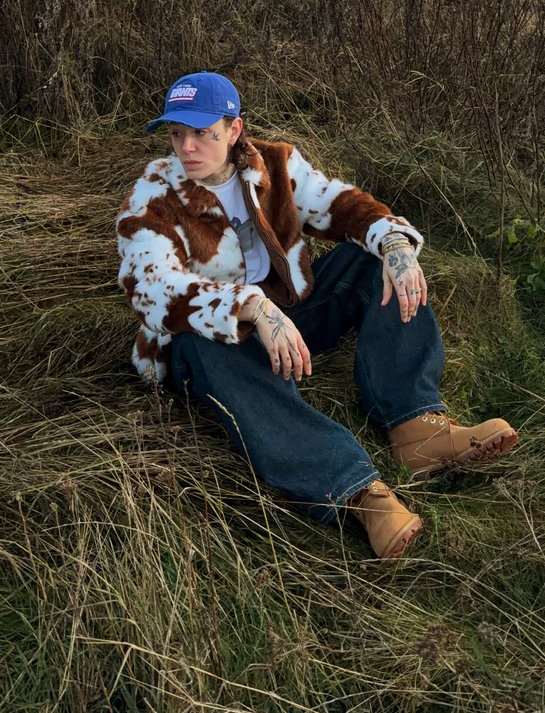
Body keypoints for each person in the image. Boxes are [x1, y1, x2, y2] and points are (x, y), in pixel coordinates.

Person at [116, 71, 518, 560]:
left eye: (202, 132)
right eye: (177, 133)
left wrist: (394, 245)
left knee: (373, 260)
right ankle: (355, 490)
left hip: (293, 315)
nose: (187, 147)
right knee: (203, 341)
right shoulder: (154, 194)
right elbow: (148, 286)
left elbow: (341, 205)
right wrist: (249, 305)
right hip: (212, 340)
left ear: (234, 130)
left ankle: (416, 428)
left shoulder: (277, 166)